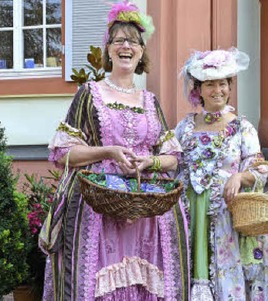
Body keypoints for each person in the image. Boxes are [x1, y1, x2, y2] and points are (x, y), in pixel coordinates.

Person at [40, 1, 189, 299]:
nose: (126, 46)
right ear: (108, 49)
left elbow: (173, 158)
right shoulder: (89, 94)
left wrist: (150, 162)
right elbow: (63, 154)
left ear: (142, 52)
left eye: (133, 41)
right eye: (119, 40)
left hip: (147, 213)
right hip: (98, 207)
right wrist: (107, 152)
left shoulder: (151, 101)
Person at [175, 49, 268, 300]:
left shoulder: (242, 127)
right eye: (210, 84)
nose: (217, 90)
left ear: (230, 87)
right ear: (198, 90)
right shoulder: (185, 127)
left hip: (227, 216)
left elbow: (260, 168)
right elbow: (175, 164)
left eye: (222, 84)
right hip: (191, 213)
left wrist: (238, 177)